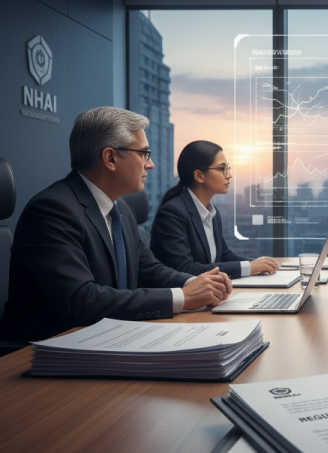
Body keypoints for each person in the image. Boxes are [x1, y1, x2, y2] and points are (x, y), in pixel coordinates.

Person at [0, 107, 232, 342]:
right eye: (144, 154)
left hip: (106, 340)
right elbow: (82, 300)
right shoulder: (52, 211)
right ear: (110, 158)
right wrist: (183, 297)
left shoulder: (121, 209)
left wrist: (196, 283)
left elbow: (150, 271)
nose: (149, 165)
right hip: (41, 355)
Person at [150, 141, 278, 279]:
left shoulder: (212, 212)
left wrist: (258, 264)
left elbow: (224, 255)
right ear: (199, 176)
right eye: (221, 168)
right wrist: (250, 267)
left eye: (227, 168)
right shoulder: (172, 213)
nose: (229, 175)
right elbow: (186, 268)